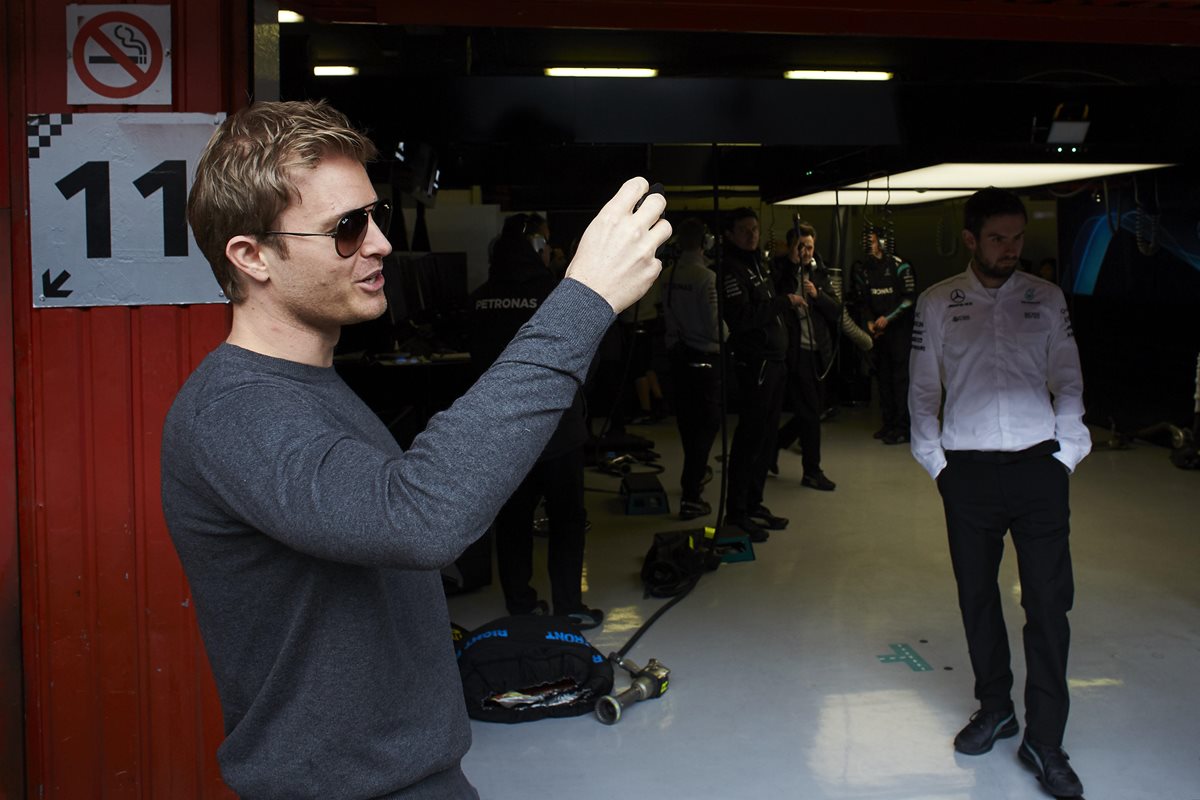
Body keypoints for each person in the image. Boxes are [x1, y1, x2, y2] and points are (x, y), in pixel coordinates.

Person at [160, 100, 669, 799]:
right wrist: (582, 301)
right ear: (252, 257)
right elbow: (419, 515)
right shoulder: (233, 410)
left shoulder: (309, 385)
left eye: (374, 217)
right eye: (346, 228)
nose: (379, 244)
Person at [908, 187, 1090, 798]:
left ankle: (1046, 739)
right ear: (970, 239)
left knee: (1047, 604)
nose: (1010, 250)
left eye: (1017, 239)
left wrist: (1065, 456)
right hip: (969, 474)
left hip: (1040, 471)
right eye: (997, 239)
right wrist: (938, 466)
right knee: (977, 598)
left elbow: (1068, 380)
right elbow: (922, 392)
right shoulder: (937, 303)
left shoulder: (1047, 299)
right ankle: (996, 708)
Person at [468, 213, 602, 629]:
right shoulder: (555, 294)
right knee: (567, 519)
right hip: (557, 429)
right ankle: (568, 606)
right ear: (536, 248)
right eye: (544, 243)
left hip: (502, 432)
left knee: (512, 520)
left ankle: (520, 604)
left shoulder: (479, 298)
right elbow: (586, 354)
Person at [719, 208, 807, 541]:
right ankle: (737, 511)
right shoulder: (730, 269)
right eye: (744, 230)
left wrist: (792, 271)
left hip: (776, 363)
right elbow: (743, 317)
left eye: (755, 229)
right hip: (755, 365)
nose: (752, 235)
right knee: (750, 439)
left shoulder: (758, 263)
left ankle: (754, 503)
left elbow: (773, 294)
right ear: (729, 234)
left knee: (768, 437)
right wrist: (784, 302)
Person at [661, 217, 725, 519]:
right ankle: (691, 493)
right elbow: (716, 326)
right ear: (705, 243)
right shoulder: (706, 277)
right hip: (706, 361)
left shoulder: (670, 275)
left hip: (679, 360)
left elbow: (669, 320)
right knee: (707, 427)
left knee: (688, 427)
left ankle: (694, 476)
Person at [770, 222, 838, 491]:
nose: (807, 251)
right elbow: (774, 291)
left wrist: (817, 295)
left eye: (810, 246)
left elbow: (836, 311)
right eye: (801, 246)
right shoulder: (781, 270)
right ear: (792, 247)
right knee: (809, 414)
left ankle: (775, 443)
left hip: (818, 353)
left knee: (811, 412)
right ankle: (812, 470)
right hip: (792, 352)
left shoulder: (820, 273)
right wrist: (791, 263)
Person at [853, 228, 916, 444]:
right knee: (883, 380)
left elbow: (909, 299)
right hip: (878, 335)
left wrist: (887, 319)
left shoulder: (901, 266)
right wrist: (870, 321)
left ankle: (903, 428)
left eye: (870, 241)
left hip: (899, 332)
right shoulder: (863, 269)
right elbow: (861, 301)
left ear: (881, 242)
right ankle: (888, 424)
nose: (868, 246)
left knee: (900, 381)